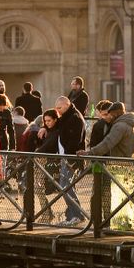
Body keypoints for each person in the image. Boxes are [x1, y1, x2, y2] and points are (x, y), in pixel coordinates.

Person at [54, 95, 86, 225]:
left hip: (71, 158)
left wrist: (68, 156)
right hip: (66, 157)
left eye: (59, 108)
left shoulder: (75, 118)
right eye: (56, 108)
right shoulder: (67, 116)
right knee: (65, 186)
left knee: (66, 186)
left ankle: (77, 215)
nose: (58, 110)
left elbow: (75, 140)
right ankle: (72, 215)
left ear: (67, 105)